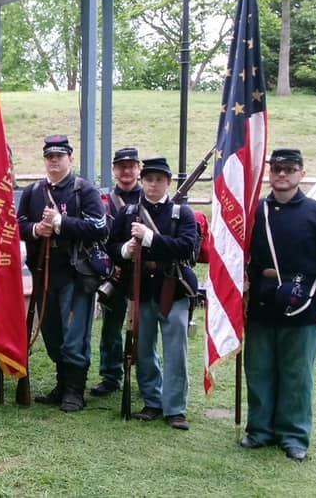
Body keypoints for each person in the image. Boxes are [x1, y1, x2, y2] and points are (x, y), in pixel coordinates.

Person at [243, 148, 316, 461]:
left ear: (302, 172)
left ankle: (294, 435)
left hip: (302, 305)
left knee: (297, 375)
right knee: (259, 370)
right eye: (276, 168)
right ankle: (259, 430)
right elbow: (243, 257)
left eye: (289, 169)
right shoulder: (254, 211)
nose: (282, 175)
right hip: (262, 302)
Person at [17, 135, 108, 412]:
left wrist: (60, 223)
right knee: (52, 332)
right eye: (49, 157)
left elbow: (99, 228)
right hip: (44, 272)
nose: (54, 161)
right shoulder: (33, 192)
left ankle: (74, 390)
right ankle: (61, 383)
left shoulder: (84, 191)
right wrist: (35, 229)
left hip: (75, 274)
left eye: (59, 156)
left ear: (70, 158)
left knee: (74, 336)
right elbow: (18, 224)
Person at [107, 157, 197, 430]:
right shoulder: (128, 212)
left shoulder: (182, 213)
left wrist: (150, 239)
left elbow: (186, 247)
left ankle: (175, 408)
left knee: (174, 351)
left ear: (168, 182)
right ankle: (152, 401)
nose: (153, 184)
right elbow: (111, 245)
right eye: (149, 179)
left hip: (173, 288)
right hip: (141, 289)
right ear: (142, 181)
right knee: (143, 350)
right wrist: (125, 251)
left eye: (159, 179)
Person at [91, 147, 143, 397]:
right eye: (121, 166)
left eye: (131, 166)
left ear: (138, 169)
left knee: (144, 328)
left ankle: (145, 376)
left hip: (144, 272)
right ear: (114, 169)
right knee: (111, 327)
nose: (126, 171)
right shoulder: (105, 201)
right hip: (115, 270)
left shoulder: (150, 197)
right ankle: (111, 375)